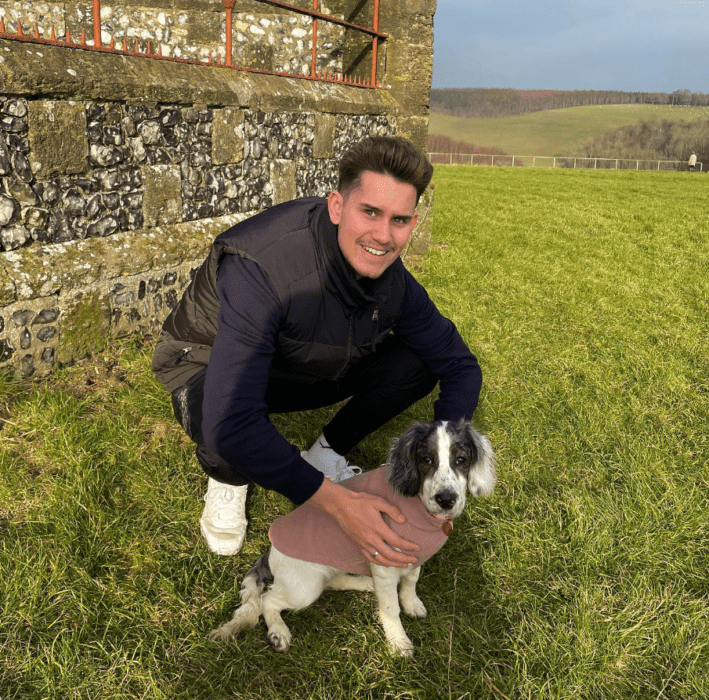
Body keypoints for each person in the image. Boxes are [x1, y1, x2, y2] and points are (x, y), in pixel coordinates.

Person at [151, 136, 482, 568]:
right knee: (224, 423)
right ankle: (226, 479)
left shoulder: (395, 281)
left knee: (419, 361)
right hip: (204, 361)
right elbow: (230, 421)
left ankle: (325, 452)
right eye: (370, 212)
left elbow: (460, 364)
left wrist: (446, 458)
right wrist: (338, 503)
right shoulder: (264, 266)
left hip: (300, 360)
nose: (383, 236)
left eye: (399, 220)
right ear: (337, 207)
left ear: (413, 222)